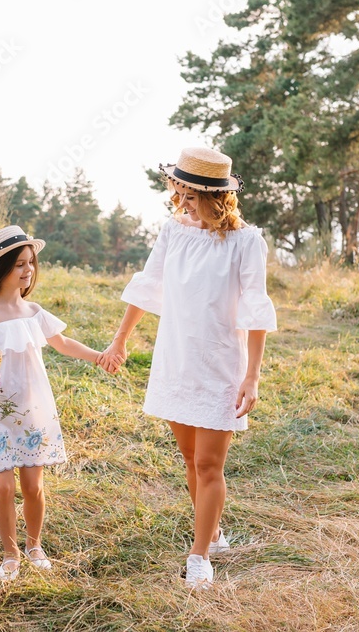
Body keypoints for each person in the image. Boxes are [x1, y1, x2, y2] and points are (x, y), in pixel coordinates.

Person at [101, 147, 277, 590]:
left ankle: (199, 556)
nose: (180, 200)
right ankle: (212, 533)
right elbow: (147, 285)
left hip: (220, 366)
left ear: (214, 196)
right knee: (188, 457)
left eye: (188, 194)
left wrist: (252, 375)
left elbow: (255, 309)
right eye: (178, 191)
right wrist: (120, 339)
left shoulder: (246, 242)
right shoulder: (173, 233)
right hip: (176, 360)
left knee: (209, 465)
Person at [0, 225, 106, 582]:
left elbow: (64, 343)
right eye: (19, 264)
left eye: (31, 263)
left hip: (30, 406)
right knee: (3, 486)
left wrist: (99, 356)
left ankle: (35, 545)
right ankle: (11, 555)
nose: (28, 271)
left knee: (33, 486)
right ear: (0, 270)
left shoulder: (33, 311)